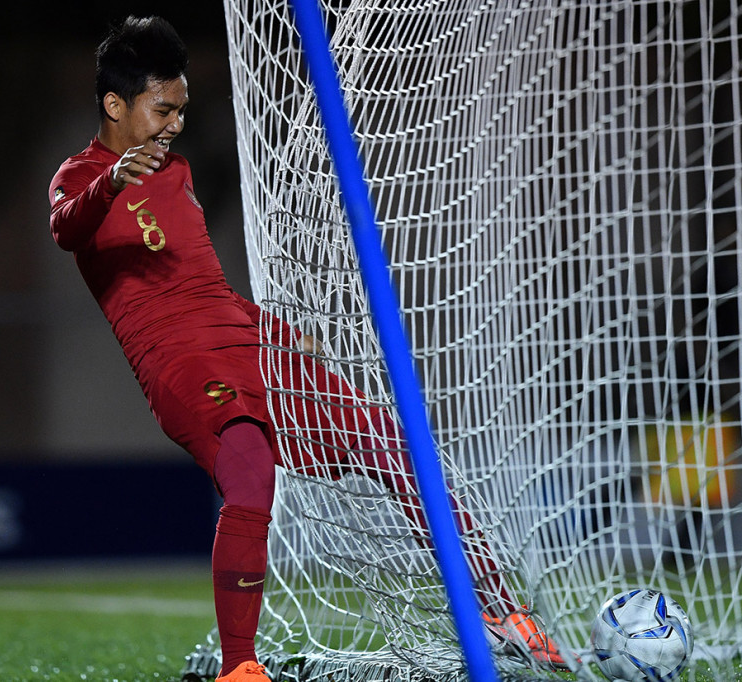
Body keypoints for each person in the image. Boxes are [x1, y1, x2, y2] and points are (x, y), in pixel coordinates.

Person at [48, 15, 569, 681]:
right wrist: (112, 182)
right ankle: (240, 668)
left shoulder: (175, 172)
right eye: (163, 108)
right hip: (180, 362)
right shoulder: (80, 176)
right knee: (250, 475)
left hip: (247, 343)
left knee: (393, 444)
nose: (176, 122)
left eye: (181, 107)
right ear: (115, 105)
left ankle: (501, 611)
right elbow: (66, 229)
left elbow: (206, 285)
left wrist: (278, 332)